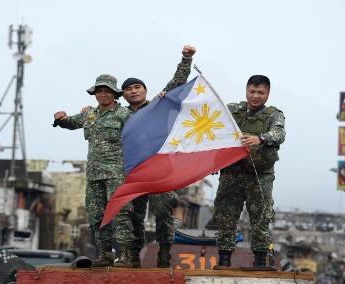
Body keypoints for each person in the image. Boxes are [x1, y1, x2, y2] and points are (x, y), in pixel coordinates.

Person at [121, 45, 196, 268]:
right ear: (123, 95)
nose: (133, 91)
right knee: (134, 215)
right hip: (134, 171)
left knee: (163, 212)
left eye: (137, 87)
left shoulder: (158, 104)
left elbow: (178, 82)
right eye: (128, 89)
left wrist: (186, 58)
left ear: (144, 89)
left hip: (159, 168)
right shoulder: (120, 114)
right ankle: (134, 256)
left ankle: (165, 253)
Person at [53, 74, 134, 267]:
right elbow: (71, 123)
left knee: (121, 214)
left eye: (107, 91)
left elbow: (137, 137)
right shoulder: (90, 114)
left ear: (115, 94)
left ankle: (125, 256)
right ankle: (105, 255)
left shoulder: (124, 115)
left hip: (117, 173)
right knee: (97, 215)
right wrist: (61, 118)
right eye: (99, 91)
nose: (103, 94)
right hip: (94, 174)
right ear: (95, 94)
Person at [212, 75, 285, 269]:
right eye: (252, 91)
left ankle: (260, 260)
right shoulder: (232, 110)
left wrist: (260, 138)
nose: (255, 96)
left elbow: (279, 134)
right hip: (232, 173)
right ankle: (224, 258)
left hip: (260, 176)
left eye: (260, 93)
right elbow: (213, 129)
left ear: (267, 94)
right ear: (246, 91)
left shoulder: (273, 115)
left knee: (260, 218)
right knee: (226, 215)